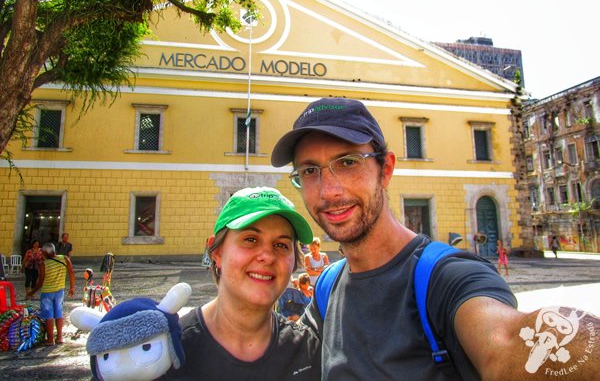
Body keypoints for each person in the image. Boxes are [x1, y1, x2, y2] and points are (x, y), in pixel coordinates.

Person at [271, 97, 600, 380]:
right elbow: (287, 354)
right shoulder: (329, 285)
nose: (328, 190)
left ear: (385, 169)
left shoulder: (447, 279)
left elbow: (505, 340)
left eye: (348, 162)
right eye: (310, 171)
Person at [171, 187, 320, 380]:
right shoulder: (166, 352)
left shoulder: (308, 351)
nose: (267, 256)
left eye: (281, 245)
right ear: (216, 252)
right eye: (250, 239)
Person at [27, 243, 75, 345]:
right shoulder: (65, 259)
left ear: (45, 253)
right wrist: (72, 288)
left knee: (49, 315)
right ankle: (60, 338)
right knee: (59, 314)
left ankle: (50, 339)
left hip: (47, 293)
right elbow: (71, 272)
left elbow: (40, 282)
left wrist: (31, 292)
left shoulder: (43, 264)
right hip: (59, 292)